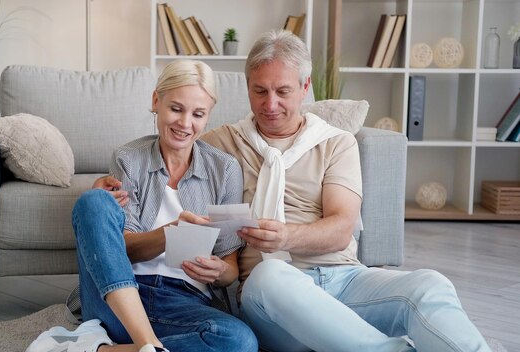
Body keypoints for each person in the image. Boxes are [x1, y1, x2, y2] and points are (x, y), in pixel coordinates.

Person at [198, 29, 492, 352]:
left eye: (283, 91)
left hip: (345, 280)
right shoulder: (221, 144)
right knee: (268, 277)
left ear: (304, 87)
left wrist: (286, 237)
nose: (270, 104)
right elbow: (171, 151)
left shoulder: (335, 143)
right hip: (272, 299)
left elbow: (341, 229)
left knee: (430, 285)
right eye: (260, 91)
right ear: (248, 87)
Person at [26, 60, 258, 352]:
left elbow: (230, 269)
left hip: (183, 304)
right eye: (176, 108)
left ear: (208, 116)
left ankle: (105, 349)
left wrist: (217, 271)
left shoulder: (224, 170)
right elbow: (121, 250)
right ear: (156, 101)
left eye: (198, 114)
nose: (185, 124)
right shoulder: (129, 159)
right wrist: (170, 233)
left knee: (240, 341)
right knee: (93, 201)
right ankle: (147, 344)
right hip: (120, 298)